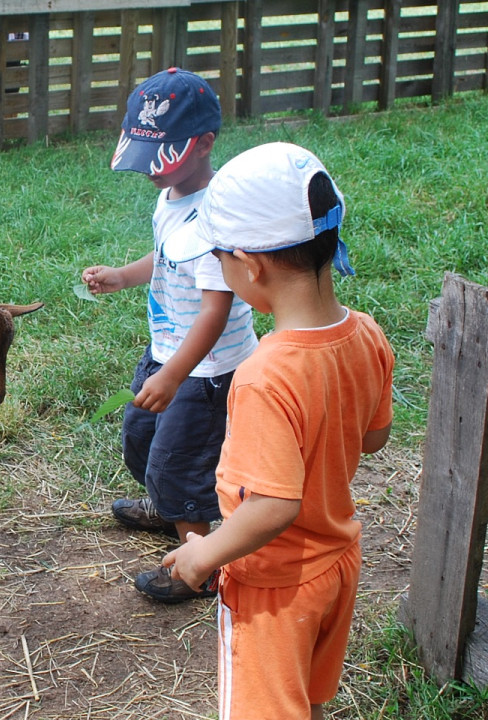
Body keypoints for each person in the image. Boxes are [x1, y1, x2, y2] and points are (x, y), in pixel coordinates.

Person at [159, 142, 394, 720]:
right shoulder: (366, 333)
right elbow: (374, 438)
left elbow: (273, 506)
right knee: (305, 698)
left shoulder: (264, 374)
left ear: (251, 264)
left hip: (275, 584)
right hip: (337, 560)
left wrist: (204, 554)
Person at [81, 68, 258, 603]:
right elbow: (163, 257)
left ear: (204, 143)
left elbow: (215, 310)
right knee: (139, 440)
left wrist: (175, 376)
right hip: (168, 354)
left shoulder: (215, 217)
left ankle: (199, 562)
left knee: (177, 465)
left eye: (164, 152)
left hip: (205, 371)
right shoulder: (172, 197)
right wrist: (124, 276)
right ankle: (169, 511)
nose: (149, 169)